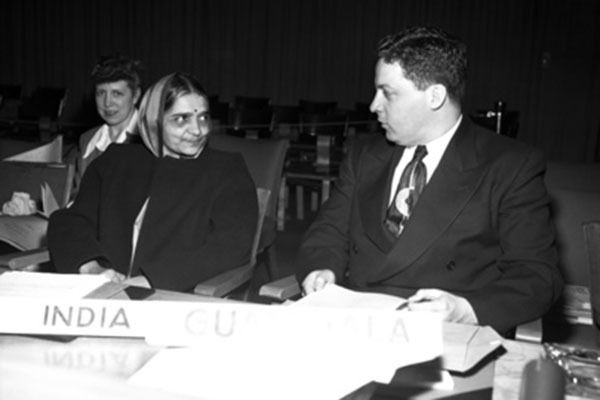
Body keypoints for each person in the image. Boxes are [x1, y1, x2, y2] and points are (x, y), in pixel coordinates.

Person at [297, 26, 563, 335]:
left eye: (388, 93)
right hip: (355, 325)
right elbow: (327, 234)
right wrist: (321, 269)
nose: (373, 106)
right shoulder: (364, 154)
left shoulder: (510, 166)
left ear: (435, 96)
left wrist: (465, 310)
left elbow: (537, 276)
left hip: (445, 335)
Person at [48, 72, 258, 292]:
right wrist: (91, 269)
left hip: (172, 296)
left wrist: (149, 281)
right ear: (153, 121)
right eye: (181, 119)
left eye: (203, 117)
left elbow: (231, 246)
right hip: (103, 293)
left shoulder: (225, 170)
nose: (197, 130)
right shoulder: (116, 161)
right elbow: (70, 221)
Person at [72, 55, 143, 196]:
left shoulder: (147, 139)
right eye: (101, 93)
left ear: (135, 96)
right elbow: (78, 195)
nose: (107, 102)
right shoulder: (88, 140)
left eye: (117, 93)